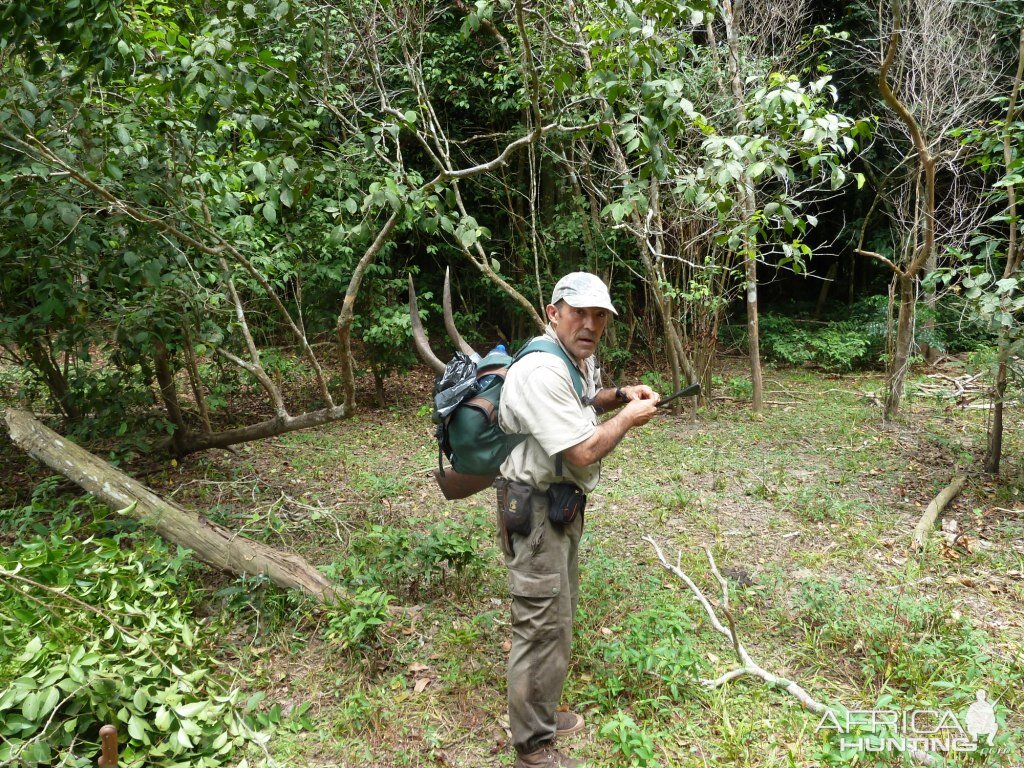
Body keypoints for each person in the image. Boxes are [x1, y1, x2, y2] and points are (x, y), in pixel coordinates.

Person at [496, 272, 661, 768]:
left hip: (559, 509)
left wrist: (617, 395)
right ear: (554, 312)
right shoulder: (541, 371)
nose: (589, 324)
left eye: (599, 317)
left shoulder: (575, 360)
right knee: (540, 627)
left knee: (557, 621)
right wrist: (629, 419)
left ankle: (540, 714)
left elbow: (581, 404)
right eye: (579, 313)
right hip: (537, 512)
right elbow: (583, 449)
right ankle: (533, 747)